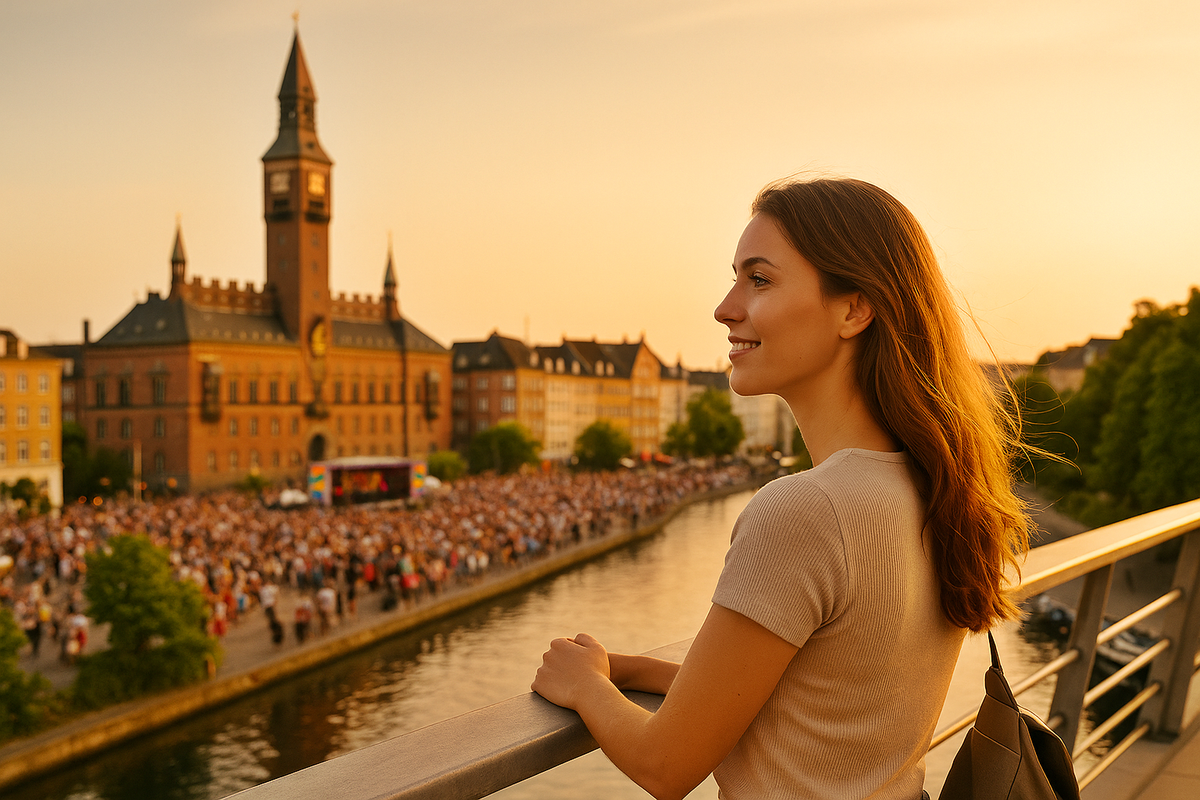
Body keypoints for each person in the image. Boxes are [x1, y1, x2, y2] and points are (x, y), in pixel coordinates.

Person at [531, 177, 1030, 800]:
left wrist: (586, 687)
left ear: (854, 309)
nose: (725, 307)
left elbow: (664, 766)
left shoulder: (804, 509)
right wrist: (632, 671)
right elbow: (824, 689)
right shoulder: (929, 482)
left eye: (759, 280)